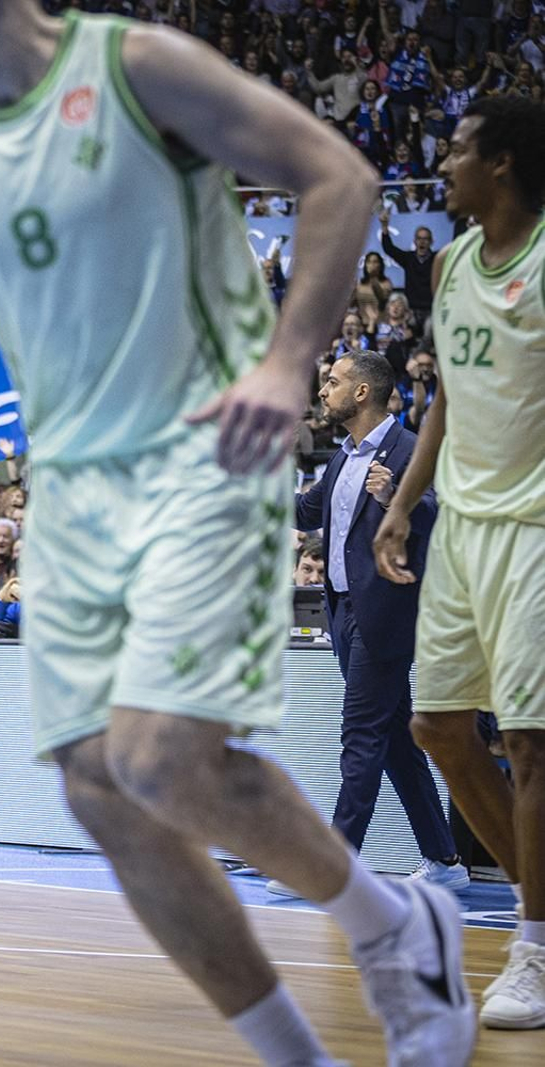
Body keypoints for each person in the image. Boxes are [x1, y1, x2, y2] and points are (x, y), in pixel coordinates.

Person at [0, 4, 471, 1064]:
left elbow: (339, 180)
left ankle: (392, 925)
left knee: (162, 758)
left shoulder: (133, 67)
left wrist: (282, 362)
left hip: (202, 451)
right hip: (74, 488)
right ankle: (297, 1047)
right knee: (98, 785)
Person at [374, 95, 545, 1032]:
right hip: (463, 527)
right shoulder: (448, 263)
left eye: (459, 150)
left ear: (506, 164)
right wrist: (402, 507)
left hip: (536, 525)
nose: (443, 164)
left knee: (529, 737)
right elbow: (444, 396)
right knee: (438, 725)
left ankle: (536, 946)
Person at [283, 351, 461, 897]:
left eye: (333, 382)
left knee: (360, 736)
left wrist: (393, 500)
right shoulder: (341, 458)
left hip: (386, 616)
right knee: (393, 743)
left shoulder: (411, 451)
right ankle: (444, 858)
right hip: (342, 613)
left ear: (362, 392)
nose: (324, 391)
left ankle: (333, 870)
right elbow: (307, 511)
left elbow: (436, 514)